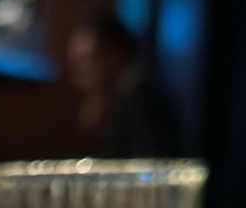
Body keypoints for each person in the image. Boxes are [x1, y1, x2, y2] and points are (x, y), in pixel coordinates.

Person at [66, 12, 182, 156]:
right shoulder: (122, 98)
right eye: (75, 64)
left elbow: (150, 171)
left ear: (114, 55)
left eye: (85, 63)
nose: (78, 77)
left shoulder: (144, 103)